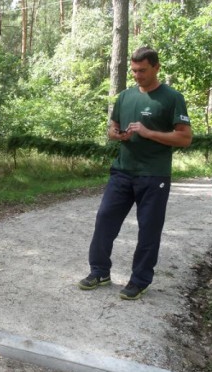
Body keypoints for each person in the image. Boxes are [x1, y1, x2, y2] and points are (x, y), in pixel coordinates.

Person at [78, 47, 192, 300]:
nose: (137, 75)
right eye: (134, 70)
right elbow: (112, 128)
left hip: (154, 175)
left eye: (142, 70)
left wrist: (149, 132)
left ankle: (139, 280)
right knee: (105, 219)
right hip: (122, 171)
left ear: (156, 68)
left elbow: (184, 137)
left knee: (149, 229)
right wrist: (119, 135)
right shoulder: (125, 96)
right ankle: (99, 271)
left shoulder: (172, 97)